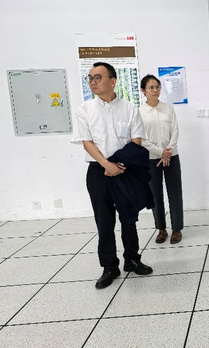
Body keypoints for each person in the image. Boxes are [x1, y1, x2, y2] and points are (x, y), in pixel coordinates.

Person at [73, 62, 153, 289]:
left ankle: (132, 259)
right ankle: (109, 266)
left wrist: (118, 164)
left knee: (129, 217)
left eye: (98, 77)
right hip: (98, 171)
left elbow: (136, 140)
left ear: (113, 81)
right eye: (90, 78)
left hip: (125, 169)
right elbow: (87, 143)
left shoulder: (129, 108)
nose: (93, 82)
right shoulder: (85, 110)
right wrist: (106, 164)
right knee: (104, 220)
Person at [139, 75, 184, 245]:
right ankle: (161, 229)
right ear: (143, 90)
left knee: (175, 193)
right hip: (151, 158)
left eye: (157, 87)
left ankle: (177, 229)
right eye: (151, 87)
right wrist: (160, 152)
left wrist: (167, 152)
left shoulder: (168, 108)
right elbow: (141, 138)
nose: (155, 90)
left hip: (172, 156)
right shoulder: (139, 112)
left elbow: (175, 131)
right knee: (154, 195)